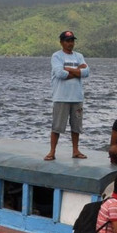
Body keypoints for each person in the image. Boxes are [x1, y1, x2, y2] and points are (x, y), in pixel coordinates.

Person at [46, 30, 90, 161]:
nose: (70, 43)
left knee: (76, 126)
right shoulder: (56, 56)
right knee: (57, 126)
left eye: (72, 41)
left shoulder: (79, 56)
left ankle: (76, 151)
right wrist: (78, 71)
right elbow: (59, 74)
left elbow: (87, 72)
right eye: (67, 41)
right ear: (61, 42)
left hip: (77, 97)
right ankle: (52, 152)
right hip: (61, 97)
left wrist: (68, 69)